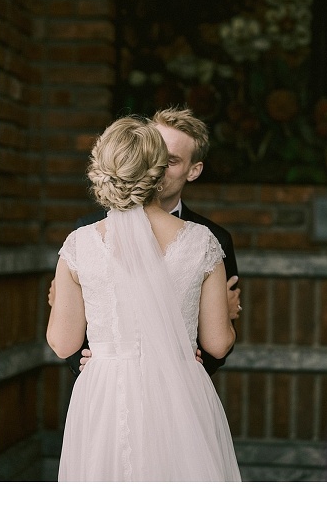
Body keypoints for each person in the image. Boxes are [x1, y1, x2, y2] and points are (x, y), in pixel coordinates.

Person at [46, 116, 241, 480]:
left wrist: (63, 303)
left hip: (104, 389)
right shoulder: (201, 241)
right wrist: (222, 316)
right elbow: (216, 344)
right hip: (179, 391)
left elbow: (62, 342)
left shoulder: (80, 243)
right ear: (158, 171)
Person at [53, 106, 241, 377]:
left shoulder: (213, 239)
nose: (158, 167)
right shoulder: (86, 231)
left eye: (170, 160)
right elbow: (72, 338)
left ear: (194, 170)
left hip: (178, 381)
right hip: (106, 382)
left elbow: (215, 347)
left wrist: (193, 365)